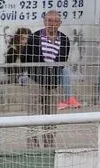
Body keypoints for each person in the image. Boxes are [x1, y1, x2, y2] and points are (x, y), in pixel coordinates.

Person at [21, 11, 70, 149]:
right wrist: (33, 72)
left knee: (51, 117)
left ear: (59, 24)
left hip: (53, 83)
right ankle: (33, 147)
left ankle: (49, 146)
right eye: (49, 20)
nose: (51, 24)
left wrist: (53, 75)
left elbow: (63, 60)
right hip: (35, 81)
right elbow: (25, 57)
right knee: (33, 116)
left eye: (55, 21)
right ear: (44, 21)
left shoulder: (65, 40)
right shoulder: (34, 37)